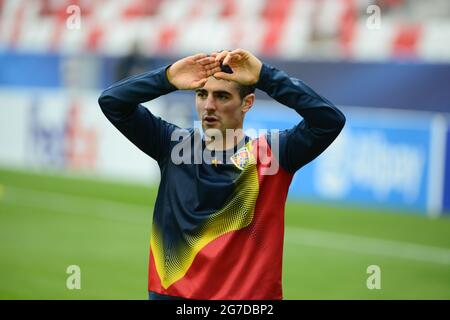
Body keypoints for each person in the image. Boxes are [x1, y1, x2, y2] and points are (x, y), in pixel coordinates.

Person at [98, 49, 345, 300]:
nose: (208, 106)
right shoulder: (171, 145)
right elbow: (112, 101)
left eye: (222, 96)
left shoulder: (274, 155)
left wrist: (266, 76)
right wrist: (167, 77)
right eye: (201, 94)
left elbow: (328, 121)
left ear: (247, 103)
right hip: (172, 295)